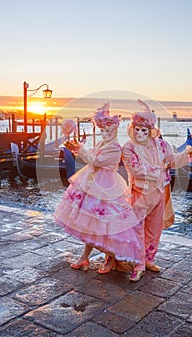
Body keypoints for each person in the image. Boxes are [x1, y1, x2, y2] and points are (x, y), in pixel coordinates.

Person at [53, 103, 143, 274]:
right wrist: (77, 148)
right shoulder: (103, 143)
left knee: (104, 226)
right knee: (91, 225)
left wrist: (81, 149)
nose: (105, 134)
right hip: (91, 182)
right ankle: (85, 258)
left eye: (108, 131)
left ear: (115, 130)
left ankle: (111, 259)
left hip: (106, 186)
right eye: (102, 131)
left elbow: (96, 161)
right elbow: (90, 156)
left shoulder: (116, 148)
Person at [122, 99, 192, 282]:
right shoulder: (128, 147)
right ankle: (138, 264)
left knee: (155, 229)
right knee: (137, 229)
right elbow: (135, 169)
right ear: (132, 128)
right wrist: (161, 169)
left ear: (151, 130)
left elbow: (173, 160)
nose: (139, 133)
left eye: (143, 130)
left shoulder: (162, 145)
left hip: (160, 192)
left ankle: (149, 260)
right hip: (139, 193)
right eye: (136, 129)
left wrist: (189, 152)